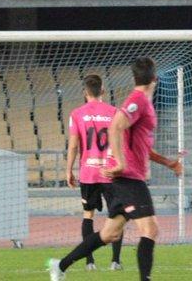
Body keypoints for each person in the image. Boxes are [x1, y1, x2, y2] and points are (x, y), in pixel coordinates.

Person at [49, 57, 184, 281]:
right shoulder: (137, 101)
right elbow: (115, 127)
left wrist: (168, 162)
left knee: (109, 233)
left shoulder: (142, 102)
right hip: (128, 177)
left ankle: (60, 266)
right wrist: (120, 163)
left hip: (127, 176)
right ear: (155, 78)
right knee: (150, 230)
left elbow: (140, 146)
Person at [65, 74, 123, 271]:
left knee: (88, 215)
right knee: (116, 216)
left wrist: (68, 170)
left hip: (88, 173)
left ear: (85, 92)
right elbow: (120, 143)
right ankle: (115, 261)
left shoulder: (77, 114)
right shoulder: (114, 112)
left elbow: (73, 146)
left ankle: (90, 262)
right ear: (103, 91)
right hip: (110, 172)